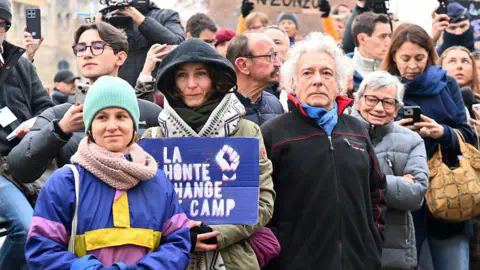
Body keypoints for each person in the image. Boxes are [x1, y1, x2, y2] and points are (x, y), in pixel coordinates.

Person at [25, 76, 191, 269]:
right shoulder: (66, 182)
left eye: (121, 116)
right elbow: (42, 251)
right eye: (102, 117)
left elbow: (178, 244)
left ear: (134, 124)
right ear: (89, 127)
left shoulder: (158, 181)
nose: (112, 126)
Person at [142, 38, 276, 270]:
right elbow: (142, 206)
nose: (191, 84)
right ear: (173, 83)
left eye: (201, 74)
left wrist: (216, 234)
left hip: (232, 259)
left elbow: (263, 202)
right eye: (182, 75)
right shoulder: (153, 139)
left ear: (215, 80)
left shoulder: (245, 131)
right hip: (169, 258)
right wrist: (181, 235)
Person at [261, 32, 386, 270]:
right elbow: (261, 205)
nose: (317, 80)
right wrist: (279, 251)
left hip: (359, 262)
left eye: (326, 73)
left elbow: (376, 192)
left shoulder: (358, 130)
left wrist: (373, 240)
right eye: (307, 73)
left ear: (338, 82)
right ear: (293, 83)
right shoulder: (273, 134)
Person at [7, 22, 162, 186]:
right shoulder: (59, 116)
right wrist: (60, 130)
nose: (87, 54)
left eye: (97, 46)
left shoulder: (151, 114)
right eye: (81, 49)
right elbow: (19, 169)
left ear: (120, 57)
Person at [380, 22, 474, 270]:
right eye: (406, 58)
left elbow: (467, 136)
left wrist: (442, 131)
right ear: (393, 57)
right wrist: (394, 129)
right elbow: (366, 138)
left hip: (448, 192)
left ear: (430, 55)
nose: (413, 66)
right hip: (403, 196)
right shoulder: (381, 88)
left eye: (419, 57)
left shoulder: (447, 84)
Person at [351, 71, 429, 270]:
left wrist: (360, 179)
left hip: (393, 251)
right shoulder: (338, 132)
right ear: (357, 101)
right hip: (347, 245)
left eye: (387, 102)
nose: (379, 108)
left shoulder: (412, 140)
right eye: (371, 99)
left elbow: (416, 194)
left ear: (396, 109)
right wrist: (395, 181)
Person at [0, 0, 54, 268]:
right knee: (24, 228)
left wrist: (33, 123)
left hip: (30, 163)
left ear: (5, 27)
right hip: (0, 170)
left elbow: (48, 109)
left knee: (58, 227)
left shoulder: (21, 65)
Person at [95, 1, 184, 87]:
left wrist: (141, 19)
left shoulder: (165, 15)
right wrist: (97, 29)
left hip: (155, 92)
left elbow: (179, 46)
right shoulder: (106, 19)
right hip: (117, 92)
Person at [226, 33, 284, 126]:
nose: (278, 63)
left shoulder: (274, 103)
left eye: (276, 55)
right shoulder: (219, 107)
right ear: (243, 65)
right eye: (270, 56)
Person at [351, 12, 392, 89]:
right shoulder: (342, 72)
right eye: (383, 36)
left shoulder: (396, 70)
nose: (389, 42)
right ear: (362, 39)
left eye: (390, 36)